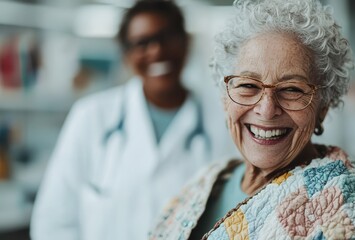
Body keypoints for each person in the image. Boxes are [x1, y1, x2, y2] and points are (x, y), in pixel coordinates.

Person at [149, 0, 355, 239]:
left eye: (292, 89)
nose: (266, 110)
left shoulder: (349, 205)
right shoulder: (206, 181)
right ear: (225, 98)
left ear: (323, 106)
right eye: (247, 85)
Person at [30, 1, 236, 240]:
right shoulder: (91, 117)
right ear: (126, 54)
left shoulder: (222, 118)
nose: (156, 50)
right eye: (141, 43)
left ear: (185, 42)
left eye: (166, 37)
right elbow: (53, 221)